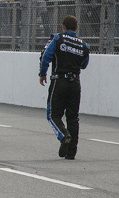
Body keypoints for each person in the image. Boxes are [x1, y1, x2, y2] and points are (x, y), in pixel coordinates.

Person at [39, 15, 90, 160]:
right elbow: (84, 65)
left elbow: (45, 56)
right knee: (73, 117)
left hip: (59, 81)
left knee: (53, 115)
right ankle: (72, 152)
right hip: (75, 83)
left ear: (63, 27)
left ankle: (63, 135)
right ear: (76, 28)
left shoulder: (57, 38)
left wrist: (42, 74)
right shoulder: (84, 45)